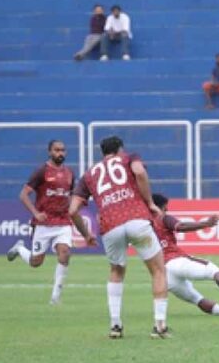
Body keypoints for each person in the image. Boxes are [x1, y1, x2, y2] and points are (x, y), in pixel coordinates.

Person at [68, 136, 170, 339]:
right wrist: (150, 203)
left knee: (116, 271)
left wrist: (86, 234)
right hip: (137, 219)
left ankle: (115, 325)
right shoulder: (129, 158)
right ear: (120, 149)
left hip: (110, 225)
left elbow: (72, 210)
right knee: (158, 270)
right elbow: (139, 172)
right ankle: (160, 326)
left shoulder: (89, 174)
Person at [7, 140, 95, 305]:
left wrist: (83, 230)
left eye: (63, 150)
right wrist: (36, 213)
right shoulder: (42, 171)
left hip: (63, 222)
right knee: (36, 262)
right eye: (56, 150)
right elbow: (23, 195)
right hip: (44, 224)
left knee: (65, 254)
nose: (60, 153)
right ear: (49, 152)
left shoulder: (70, 173)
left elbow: (70, 197)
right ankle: (19, 249)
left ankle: (55, 297)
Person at [151, 193, 219, 316]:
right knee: (215, 271)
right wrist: (205, 224)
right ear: (158, 207)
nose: (167, 210)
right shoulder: (163, 218)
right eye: (165, 207)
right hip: (176, 261)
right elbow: (181, 226)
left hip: (162, 274)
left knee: (197, 299)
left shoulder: (143, 224)